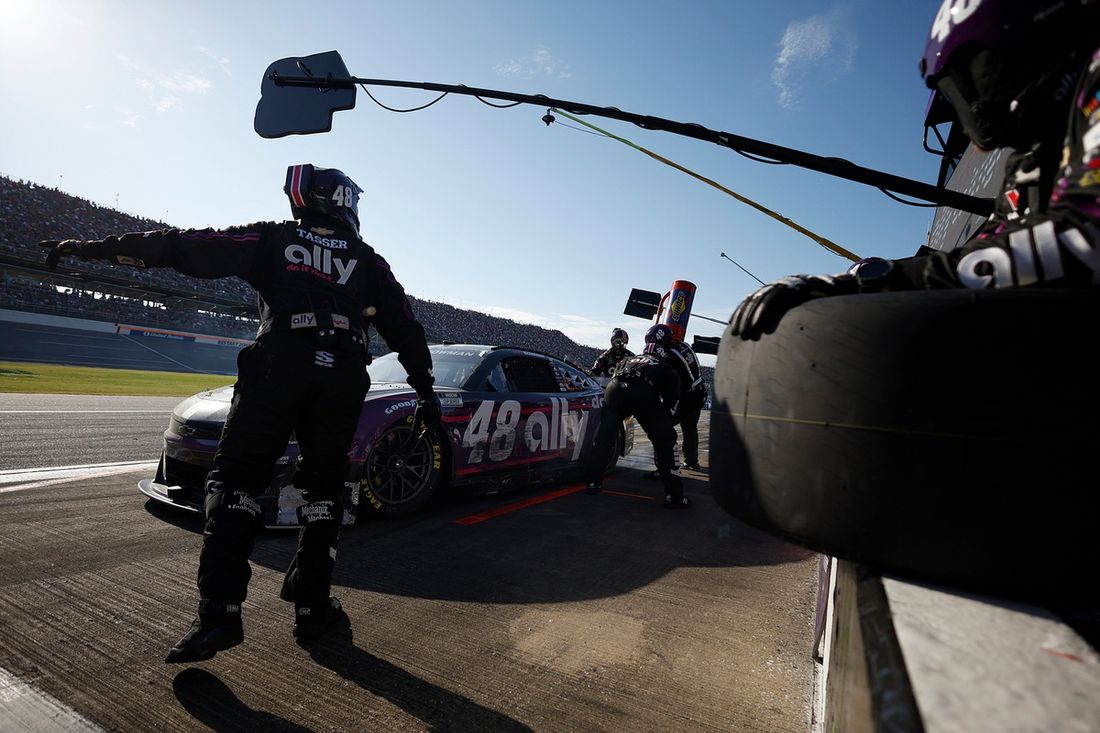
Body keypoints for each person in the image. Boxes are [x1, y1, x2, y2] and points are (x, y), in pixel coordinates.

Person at [40, 163, 441, 662]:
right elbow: (406, 327)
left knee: (234, 483)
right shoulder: (369, 260)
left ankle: (219, 614)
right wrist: (424, 390)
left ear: (304, 198)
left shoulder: (272, 238)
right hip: (343, 374)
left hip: (279, 363)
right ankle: (313, 605)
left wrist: (91, 248)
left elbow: (183, 245)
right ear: (344, 204)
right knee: (326, 487)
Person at [730, 0, 1100, 341]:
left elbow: (1083, 236)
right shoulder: (1031, 159)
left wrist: (877, 284)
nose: (969, 106)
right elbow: (998, 243)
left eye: (971, 75)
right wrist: (856, 280)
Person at [585, 323, 691, 509]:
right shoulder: (664, 366)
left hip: (615, 388)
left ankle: (593, 482)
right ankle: (674, 496)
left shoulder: (629, 359)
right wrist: (665, 422)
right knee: (667, 440)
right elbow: (672, 399)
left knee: (604, 437)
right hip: (641, 391)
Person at [668, 337, 708, 471]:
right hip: (699, 391)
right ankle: (691, 460)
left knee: (664, 425)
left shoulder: (672, 352)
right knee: (690, 428)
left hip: (688, 394)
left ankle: (667, 462)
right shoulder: (685, 346)